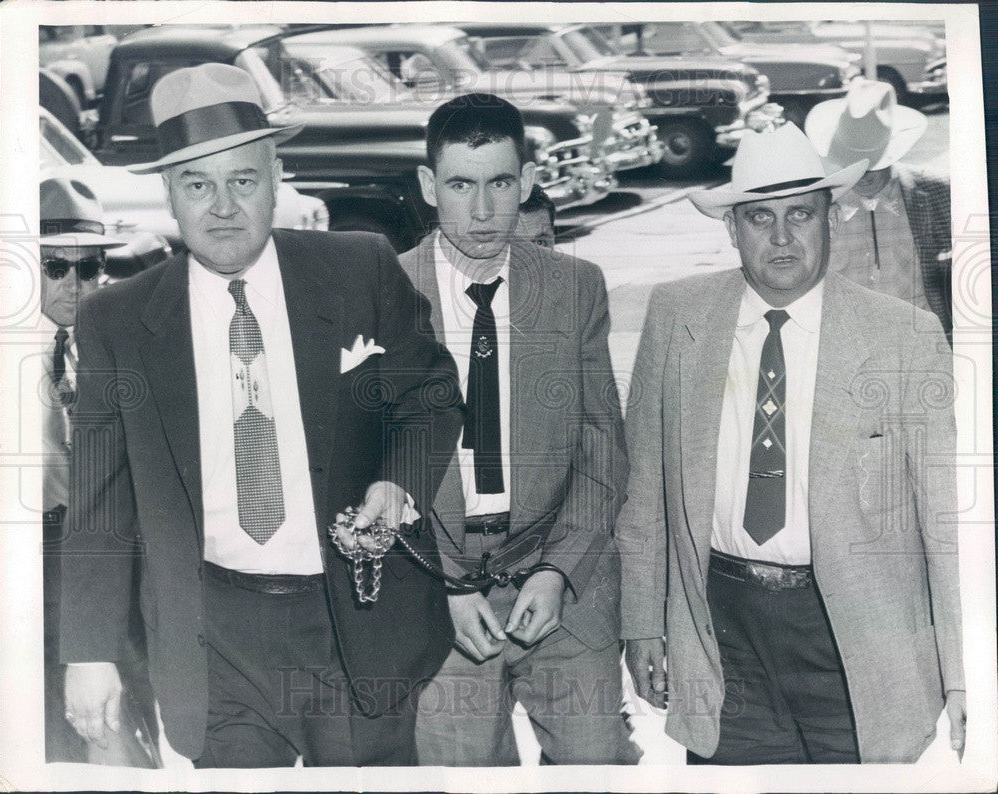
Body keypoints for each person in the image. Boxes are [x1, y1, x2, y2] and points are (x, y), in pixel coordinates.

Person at [59, 63, 463, 768]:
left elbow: (428, 395)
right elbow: (99, 502)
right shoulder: (117, 321)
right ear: (170, 196)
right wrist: (90, 653)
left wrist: (396, 485)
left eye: (242, 181)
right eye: (197, 185)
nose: (222, 207)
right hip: (214, 637)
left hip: (354, 625)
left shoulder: (358, 269)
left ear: (277, 177)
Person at [619, 122, 964, 764]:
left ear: (829, 217)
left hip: (855, 639)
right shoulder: (676, 318)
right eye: (759, 218)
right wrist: (641, 624)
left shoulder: (904, 336)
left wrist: (964, 671)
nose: (781, 237)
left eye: (800, 214)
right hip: (722, 629)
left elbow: (947, 522)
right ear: (732, 229)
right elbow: (645, 491)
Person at [399, 93, 638, 765]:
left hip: (557, 576)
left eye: (500, 183)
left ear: (528, 181)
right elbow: (365, 472)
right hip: (436, 593)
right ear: (427, 186)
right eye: (460, 185)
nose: (482, 211)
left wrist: (560, 572)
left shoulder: (574, 287)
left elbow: (601, 451)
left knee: (599, 766)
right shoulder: (382, 293)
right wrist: (445, 583)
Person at [39, 177, 125, 764]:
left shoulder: (110, 347)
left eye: (89, 267)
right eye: (55, 267)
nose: (75, 284)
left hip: (98, 552)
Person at [805, 78, 953, 340]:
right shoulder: (815, 205)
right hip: (847, 346)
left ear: (892, 150)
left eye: (875, 162)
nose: (864, 173)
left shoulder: (938, 191)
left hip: (922, 344)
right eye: (854, 162)